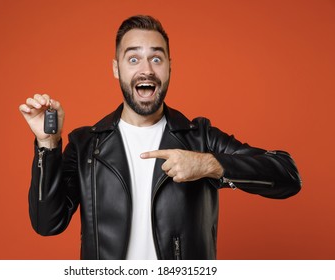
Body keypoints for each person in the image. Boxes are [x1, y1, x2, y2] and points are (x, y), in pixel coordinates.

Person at [19, 15, 301, 260]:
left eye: (156, 58)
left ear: (169, 67)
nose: (146, 70)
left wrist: (208, 165)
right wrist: (48, 144)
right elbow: (47, 224)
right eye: (133, 59)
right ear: (116, 68)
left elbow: (288, 175)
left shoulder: (200, 138)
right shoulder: (85, 145)